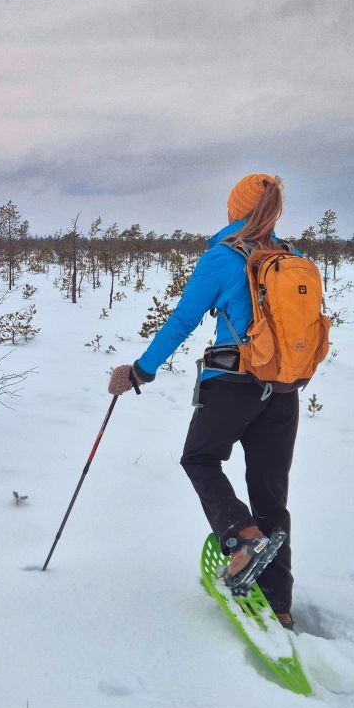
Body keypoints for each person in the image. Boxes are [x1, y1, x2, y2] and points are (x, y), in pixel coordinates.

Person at [108, 173, 302, 628]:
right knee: (271, 494)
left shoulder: (222, 258)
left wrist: (140, 371)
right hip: (284, 391)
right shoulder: (290, 257)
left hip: (233, 383)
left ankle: (241, 537)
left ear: (235, 210)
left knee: (199, 458)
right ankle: (279, 603)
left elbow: (182, 322)